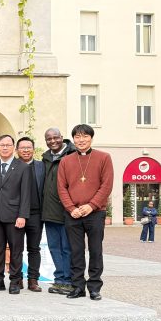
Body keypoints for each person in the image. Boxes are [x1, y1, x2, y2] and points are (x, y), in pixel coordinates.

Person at [58, 124, 114, 301]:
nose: (81, 140)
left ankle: (95, 287)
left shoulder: (104, 158)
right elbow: (61, 187)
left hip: (95, 213)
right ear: (73, 139)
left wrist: (92, 205)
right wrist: (71, 208)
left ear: (91, 138)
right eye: (77, 137)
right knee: (76, 251)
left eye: (85, 137)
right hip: (72, 214)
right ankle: (77, 287)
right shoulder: (66, 161)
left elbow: (106, 185)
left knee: (96, 250)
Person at [0, 134, 32, 295]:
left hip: (15, 215)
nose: (4, 147)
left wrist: (22, 215)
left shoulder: (23, 167)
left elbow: (25, 194)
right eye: (2, 145)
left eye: (8, 145)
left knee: (16, 250)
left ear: (13, 148)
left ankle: (15, 281)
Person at [42, 128, 76, 295]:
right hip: (49, 212)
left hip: (67, 212)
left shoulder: (73, 155)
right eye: (49, 138)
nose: (53, 141)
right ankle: (60, 279)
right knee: (54, 247)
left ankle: (69, 280)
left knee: (67, 248)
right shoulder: (46, 158)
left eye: (56, 137)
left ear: (62, 138)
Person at [17, 136, 45, 292]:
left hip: (36, 214)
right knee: (17, 249)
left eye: (29, 147)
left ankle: (33, 279)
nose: (26, 150)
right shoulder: (13, 166)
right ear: (17, 150)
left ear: (33, 149)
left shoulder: (41, 166)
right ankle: (18, 278)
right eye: (22, 148)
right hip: (17, 214)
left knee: (34, 248)